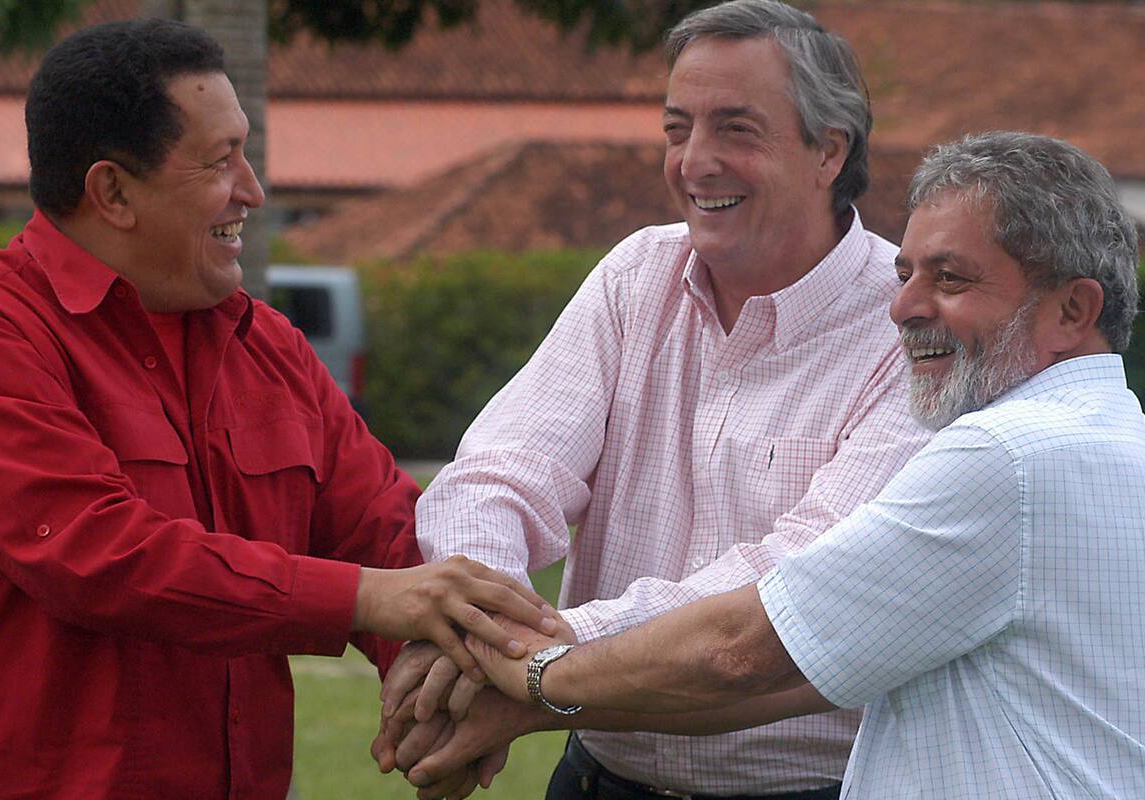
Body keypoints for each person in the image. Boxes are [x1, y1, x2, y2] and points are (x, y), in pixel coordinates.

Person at [430, 131, 1145, 799]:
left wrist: (525, 668)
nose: (901, 307)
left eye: (950, 279)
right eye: (905, 274)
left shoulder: (1003, 457)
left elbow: (742, 650)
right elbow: (803, 673)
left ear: (1072, 309)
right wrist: (538, 696)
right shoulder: (1109, 441)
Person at [0, 19, 556, 799]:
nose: (253, 191)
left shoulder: (265, 344)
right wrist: (368, 599)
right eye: (220, 160)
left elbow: (387, 529)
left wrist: (445, 678)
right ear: (113, 192)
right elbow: (96, 553)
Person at [379, 1, 930, 797]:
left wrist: (537, 653)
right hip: (598, 777)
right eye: (678, 130)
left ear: (828, 151)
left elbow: (789, 586)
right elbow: (500, 473)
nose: (694, 162)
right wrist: (484, 620)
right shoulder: (638, 276)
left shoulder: (910, 329)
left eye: (736, 130)